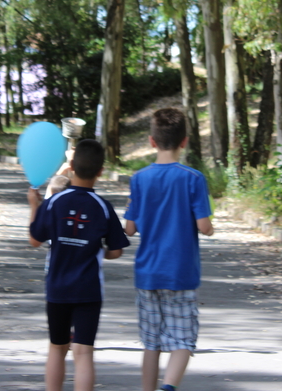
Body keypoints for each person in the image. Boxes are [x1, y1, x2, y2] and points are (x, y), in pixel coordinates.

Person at [28, 139, 130, 391]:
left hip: (57, 288)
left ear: (71, 166)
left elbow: (34, 240)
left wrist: (33, 206)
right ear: (100, 171)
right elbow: (116, 250)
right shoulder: (103, 207)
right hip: (88, 290)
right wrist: (98, 251)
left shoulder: (53, 203)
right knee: (83, 352)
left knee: (57, 347)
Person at [124, 108, 214, 391]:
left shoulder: (139, 178)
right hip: (180, 272)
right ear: (184, 141)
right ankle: (168, 387)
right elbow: (204, 226)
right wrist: (208, 225)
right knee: (183, 341)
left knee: (151, 343)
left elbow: (129, 228)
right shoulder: (193, 178)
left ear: (152, 141)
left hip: (148, 272)